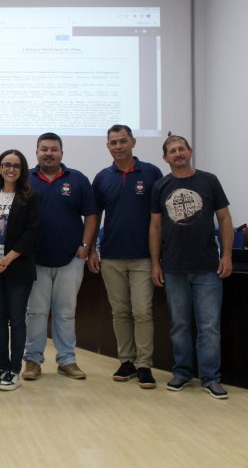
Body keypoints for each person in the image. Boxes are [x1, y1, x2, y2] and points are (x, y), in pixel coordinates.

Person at [150, 134, 233, 400]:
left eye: (181, 149)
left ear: (190, 151)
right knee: (180, 325)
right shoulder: (161, 186)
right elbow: (155, 226)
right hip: (173, 267)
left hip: (207, 267)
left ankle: (211, 378)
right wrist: (155, 263)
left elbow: (225, 218)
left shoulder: (209, 180)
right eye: (172, 151)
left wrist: (227, 255)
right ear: (165, 158)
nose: (178, 153)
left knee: (209, 326)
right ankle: (182, 372)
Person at [88, 125, 163, 389]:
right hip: (111, 256)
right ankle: (127, 361)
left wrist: (158, 258)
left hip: (144, 256)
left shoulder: (152, 173)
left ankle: (145, 365)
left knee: (142, 311)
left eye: (123, 141)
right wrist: (92, 250)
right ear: (108, 146)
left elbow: (160, 218)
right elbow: (94, 217)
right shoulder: (102, 178)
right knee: (120, 312)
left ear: (133, 142)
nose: (118, 146)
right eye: (113, 142)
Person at [23, 132, 97, 381]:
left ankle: (67, 360)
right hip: (34, 259)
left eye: (53, 149)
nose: (49, 153)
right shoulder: (25, 179)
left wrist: (86, 245)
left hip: (71, 258)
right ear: (36, 153)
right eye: (44, 149)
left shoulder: (77, 179)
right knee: (35, 312)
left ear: (61, 153)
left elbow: (91, 215)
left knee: (66, 312)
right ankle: (32, 361)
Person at [0, 149, 39, 391]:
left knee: (17, 320)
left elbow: (31, 233)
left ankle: (14, 370)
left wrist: (8, 259)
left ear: (22, 170)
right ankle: (1, 367)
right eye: (6, 165)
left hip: (18, 268)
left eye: (16, 165)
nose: (10, 169)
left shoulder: (31, 197)